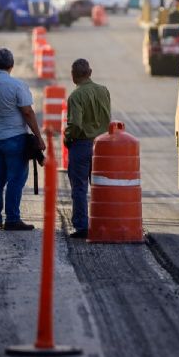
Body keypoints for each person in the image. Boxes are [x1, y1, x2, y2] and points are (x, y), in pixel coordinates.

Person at [0, 48, 45, 231]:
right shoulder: (17, 85)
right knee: (15, 179)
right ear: (11, 66)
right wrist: (38, 136)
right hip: (15, 139)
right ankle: (12, 219)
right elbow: (27, 112)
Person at [63, 58, 112, 239]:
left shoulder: (75, 96)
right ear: (90, 73)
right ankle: (104, 223)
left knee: (79, 187)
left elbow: (75, 124)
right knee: (101, 187)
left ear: (73, 76)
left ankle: (82, 226)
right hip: (103, 145)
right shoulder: (104, 91)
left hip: (82, 145)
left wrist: (68, 137)